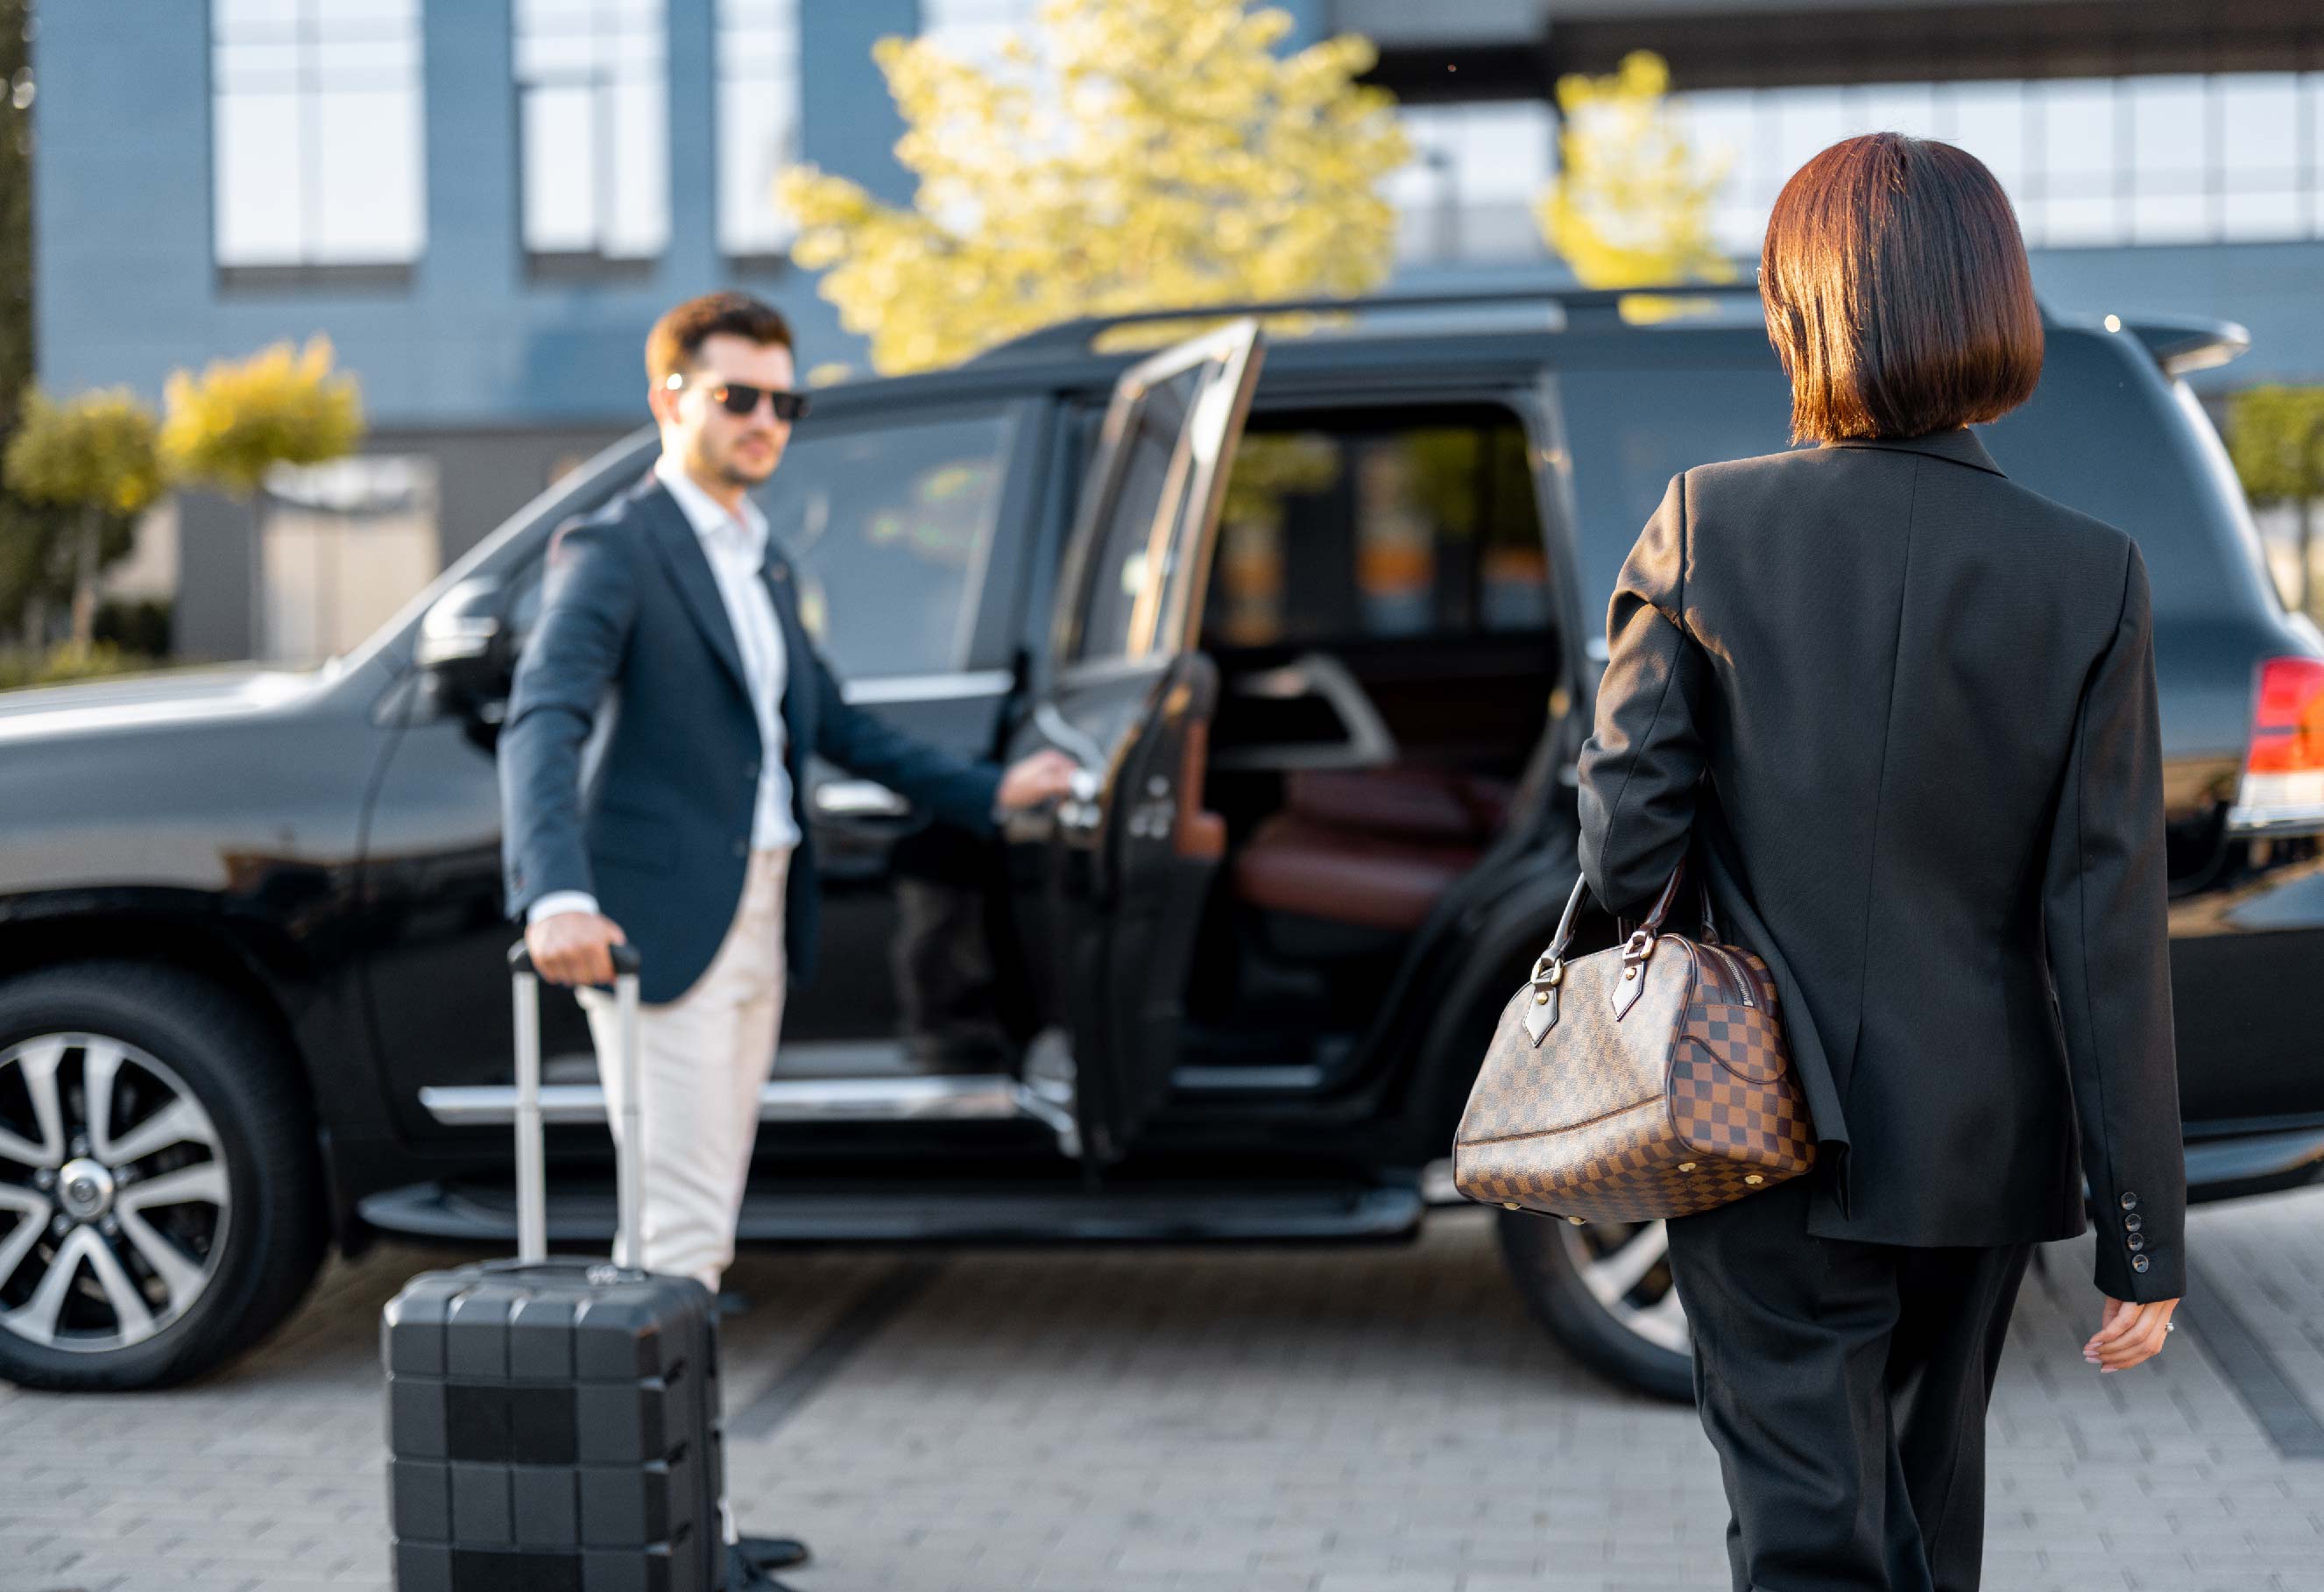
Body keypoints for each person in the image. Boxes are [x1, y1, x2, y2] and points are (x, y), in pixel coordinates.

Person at [1573, 133, 2183, 1592]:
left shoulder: (1704, 522)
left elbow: (1624, 843)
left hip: (1750, 1123)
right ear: (1993, 304)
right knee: (1925, 1526)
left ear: (1801, 308)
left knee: (1805, 1539)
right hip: (1980, 1139)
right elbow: (2106, 931)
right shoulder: (2091, 571)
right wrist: (2140, 1236)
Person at [498, 290, 1079, 1584]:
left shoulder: (761, 557)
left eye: (785, 401)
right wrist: (554, 893)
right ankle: (668, 1537)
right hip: (660, 931)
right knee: (672, 1230)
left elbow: (836, 725)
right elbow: (544, 715)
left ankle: (681, 1512)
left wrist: (994, 791)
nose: (767, 421)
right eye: (739, 397)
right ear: (671, 398)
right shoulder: (618, 545)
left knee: (695, 1230)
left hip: (762, 913)